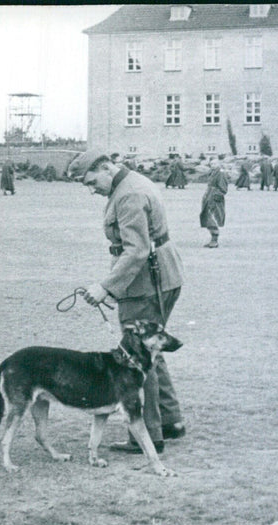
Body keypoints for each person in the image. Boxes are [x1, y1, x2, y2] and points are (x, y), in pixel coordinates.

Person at [66, 149, 186, 454]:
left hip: (146, 282)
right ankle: (170, 421)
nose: (92, 189)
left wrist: (105, 287)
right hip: (161, 275)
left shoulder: (127, 195)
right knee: (149, 350)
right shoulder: (131, 182)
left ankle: (147, 436)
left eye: (91, 181)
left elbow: (135, 251)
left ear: (106, 167)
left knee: (134, 356)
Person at [200, 157, 228, 248]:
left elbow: (223, 189)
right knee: (207, 217)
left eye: (215, 164)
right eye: (211, 164)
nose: (213, 166)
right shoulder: (212, 173)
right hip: (208, 197)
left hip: (215, 199)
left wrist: (216, 196)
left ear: (219, 164)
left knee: (213, 218)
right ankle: (212, 239)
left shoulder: (221, 173)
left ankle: (215, 240)